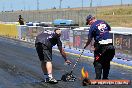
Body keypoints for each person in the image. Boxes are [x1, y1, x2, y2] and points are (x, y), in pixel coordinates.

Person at [84, 15, 115, 79]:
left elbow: (89, 39)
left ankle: (98, 79)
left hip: (102, 46)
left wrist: (86, 45)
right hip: (111, 46)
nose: (89, 24)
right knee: (106, 61)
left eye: (88, 23)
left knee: (97, 62)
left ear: (90, 20)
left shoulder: (92, 26)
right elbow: (109, 29)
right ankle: (105, 78)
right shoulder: (103, 22)